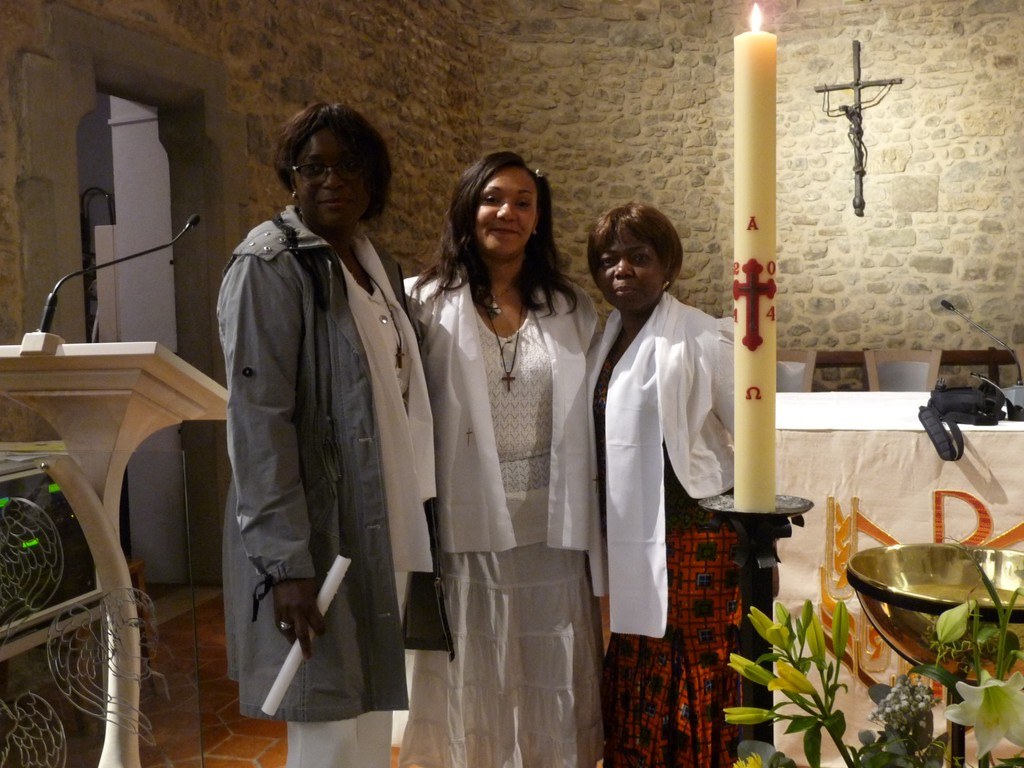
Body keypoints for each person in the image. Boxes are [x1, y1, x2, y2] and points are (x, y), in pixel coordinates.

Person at [217, 102, 435, 768]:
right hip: (318, 529)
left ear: (374, 178)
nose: (332, 180)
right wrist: (286, 564)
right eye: (314, 167)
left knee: (368, 713)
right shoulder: (270, 265)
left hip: (379, 515)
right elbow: (260, 422)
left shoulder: (376, 264)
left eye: (349, 166)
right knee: (327, 722)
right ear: (292, 176)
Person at [399, 151, 604, 768]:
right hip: (468, 516)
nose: (506, 212)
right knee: (473, 670)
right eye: (492, 198)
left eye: (522, 202)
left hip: (552, 523)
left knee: (549, 664)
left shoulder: (570, 307)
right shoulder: (422, 302)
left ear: (538, 219)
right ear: (468, 208)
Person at [587, 202, 740, 767]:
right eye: (608, 259)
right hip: (632, 530)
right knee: (639, 645)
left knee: (695, 658)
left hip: (698, 533)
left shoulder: (704, 336)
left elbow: (752, 435)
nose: (622, 270)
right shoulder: (603, 341)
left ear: (668, 266)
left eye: (639, 257)